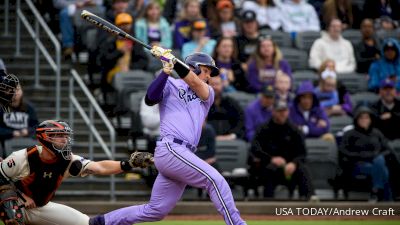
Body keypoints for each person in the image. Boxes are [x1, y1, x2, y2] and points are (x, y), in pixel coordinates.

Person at [89, 48, 247, 224]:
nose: (209, 76)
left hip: (182, 153)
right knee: (215, 180)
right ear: (194, 67)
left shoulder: (207, 93)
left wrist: (173, 60)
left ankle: (101, 222)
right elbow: (150, 98)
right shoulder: (171, 83)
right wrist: (165, 72)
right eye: (206, 70)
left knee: (155, 211)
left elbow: (194, 83)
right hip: (171, 148)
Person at [0, 120, 153, 224]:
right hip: (15, 203)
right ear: (45, 138)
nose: (64, 140)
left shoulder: (68, 160)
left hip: (39, 206)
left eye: (65, 136)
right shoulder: (23, 157)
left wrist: (128, 164)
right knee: (9, 205)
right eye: (59, 136)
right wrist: (21, 195)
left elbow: (99, 167)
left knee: (87, 223)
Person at [249, 100, 315, 199]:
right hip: (269, 165)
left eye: (284, 111)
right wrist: (271, 159)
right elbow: (255, 149)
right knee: (269, 170)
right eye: (279, 111)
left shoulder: (295, 130)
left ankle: (310, 200)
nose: (282, 114)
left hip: (290, 167)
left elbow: (302, 153)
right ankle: (268, 203)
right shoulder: (263, 129)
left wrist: (293, 163)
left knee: (303, 169)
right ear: (273, 112)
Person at [338, 107, 393, 201]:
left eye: (367, 118)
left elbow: (387, 149)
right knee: (384, 171)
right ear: (356, 119)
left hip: (375, 162)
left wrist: (376, 155)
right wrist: (361, 155)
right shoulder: (350, 134)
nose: (364, 120)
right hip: (357, 164)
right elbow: (343, 151)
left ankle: (376, 190)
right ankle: (385, 198)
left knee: (380, 162)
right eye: (361, 118)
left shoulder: (377, 133)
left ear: (371, 119)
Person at [98, 12, 148, 107]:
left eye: (127, 24)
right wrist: (119, 52)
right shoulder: (109, 42)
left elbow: (144, 62)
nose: (124, 28)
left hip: (132, 75)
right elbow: (103, 62)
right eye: (121, 25)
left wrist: (130, 68)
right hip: (112, 77)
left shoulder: (136, 43)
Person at [0, 85, 38, 158]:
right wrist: (12, 133)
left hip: (26, 141)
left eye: (17, 89)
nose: (14, 93)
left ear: (21, 91)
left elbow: (36, 126)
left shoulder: (29, 108)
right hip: (5, 142)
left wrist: (27, 131)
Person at [207, 76, 245, 141]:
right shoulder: (203, 104)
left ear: (222, 85)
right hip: (208, 140)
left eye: (217, 84)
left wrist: (233, 135)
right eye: (212, 84)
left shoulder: (231, 103)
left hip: (231, 139)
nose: (215, 87)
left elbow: (240, 120)